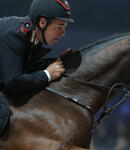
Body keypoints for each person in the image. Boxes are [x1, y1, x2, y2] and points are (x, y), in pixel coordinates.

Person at [0, 0, 74, 135]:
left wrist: (51, 65)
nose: (63, 33)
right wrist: (48, 74)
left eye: (65, 27)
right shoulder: (14, 35)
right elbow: (13, 82)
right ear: (42, 22)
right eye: (60, 26)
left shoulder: (33, 35)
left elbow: (25, 69)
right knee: (2, 112)